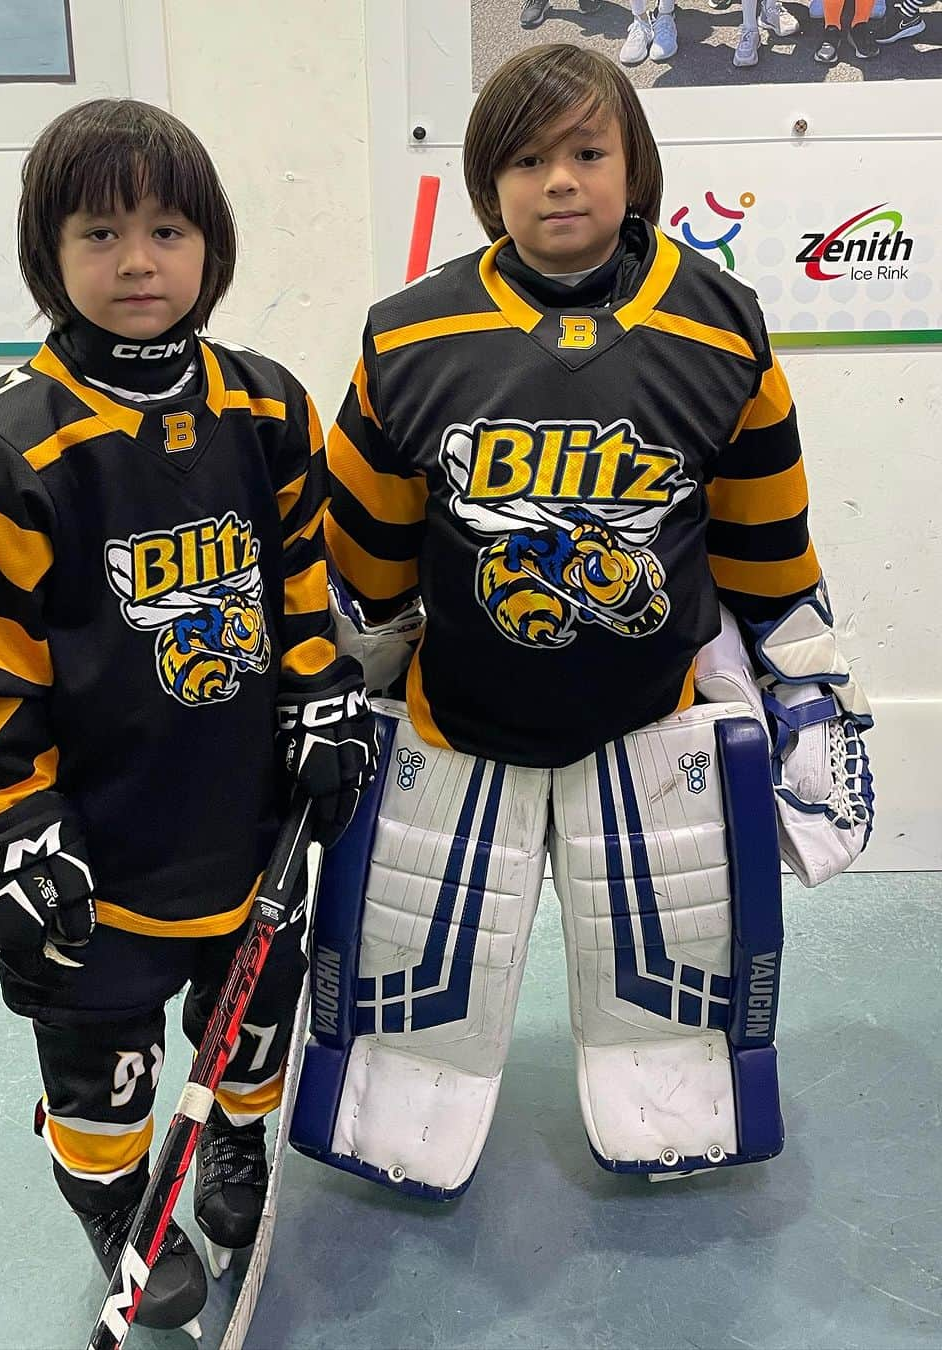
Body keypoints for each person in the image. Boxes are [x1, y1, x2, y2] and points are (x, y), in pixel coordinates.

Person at [289, 44, 873, 1201]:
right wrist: (328, 684)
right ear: (486, 182)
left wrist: (809, 685)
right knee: (409, 1028)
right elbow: (358, 556)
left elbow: (766, 543)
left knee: (673, 1008)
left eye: (587, 152)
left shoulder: (721, 326)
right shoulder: (408, 336)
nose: (561, 179)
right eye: (527, 158)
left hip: (652, 728)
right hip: (454, 725)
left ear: (634, 164)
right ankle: (399, 1116)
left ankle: (673, 1110)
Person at [0, 98, 377, 1330]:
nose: (137, 262)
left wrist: (323, 694)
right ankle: (112, 1195)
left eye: (167, 230)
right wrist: (6, 822)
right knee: (103, 1064)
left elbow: (300, 584)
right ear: (46, 254)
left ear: (210, 244)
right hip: (98, 838)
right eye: (100, 233)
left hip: (242, 811)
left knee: (249, 1021)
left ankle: (227, 1144)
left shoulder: (267, 405)